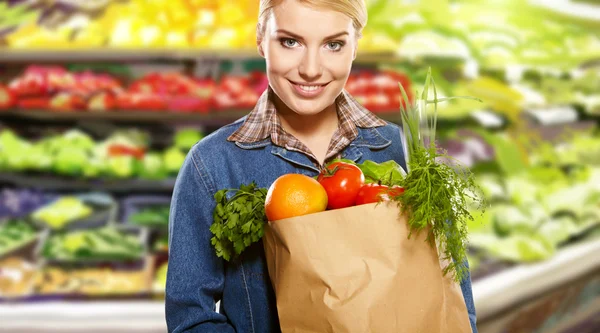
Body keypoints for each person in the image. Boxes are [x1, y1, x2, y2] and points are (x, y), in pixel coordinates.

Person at [165, 0, 478, 332]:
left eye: (333, 44)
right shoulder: (212, 165)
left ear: (356, 44)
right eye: (290, 41)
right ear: (260, 39)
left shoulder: (405, 154)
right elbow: (191, 319)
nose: (311, 69)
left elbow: (451, 296)